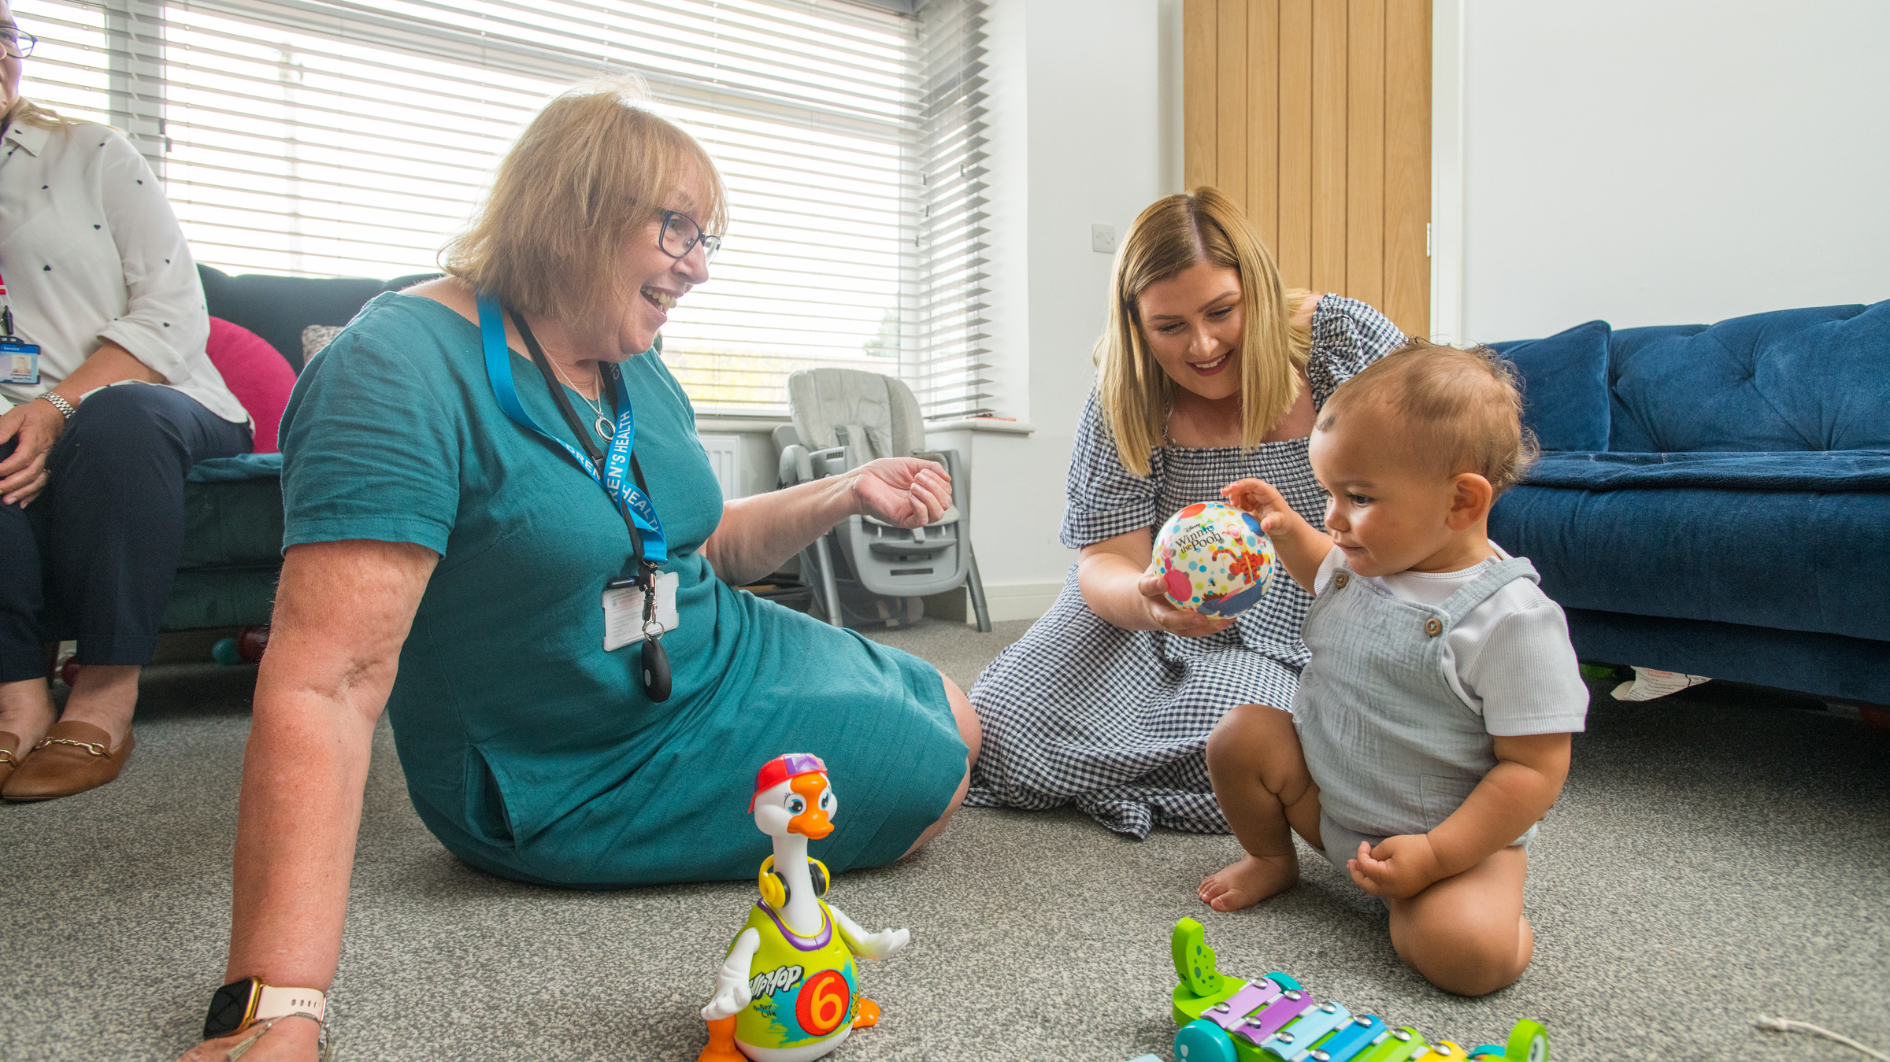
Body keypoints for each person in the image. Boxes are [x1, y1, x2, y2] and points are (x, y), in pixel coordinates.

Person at [178, 80, 979, 1061]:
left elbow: (696, 542)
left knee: (953, 702)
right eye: (677, 230)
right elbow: (328, 683)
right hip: (569, 763)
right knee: (940, 769)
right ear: (573, 205)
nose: (697, 269)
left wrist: (846, 490)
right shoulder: (396, 367)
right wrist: (275, 1000)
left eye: (707, 241)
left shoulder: (627, 355)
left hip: (709, 649)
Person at [966, 187, 1405, 837]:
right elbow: (1108, 559)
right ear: (1136, 326)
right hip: (1151, 613)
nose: (1201, 346)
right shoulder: (1128, 388)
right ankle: (1219, 779)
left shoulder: (1341, 344)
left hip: (1306, 624)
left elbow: (1429, 469)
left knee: (1269, 730)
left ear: (1254, 289)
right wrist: (1147, 602)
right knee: (998, 725)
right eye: (1169, 327)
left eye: (1221, 312)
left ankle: (1203, 770)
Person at [1202, 340, 1588, 996]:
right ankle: (1272, 859)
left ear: (1461, 504)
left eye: (1356, 497)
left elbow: (1534, 771)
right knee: (1240, 735)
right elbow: (1322, 568)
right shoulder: (1365, 563)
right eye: (1327, 492)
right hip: (1327, 805)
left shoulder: (1510, 620)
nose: (1333, 518)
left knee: (1466, 957)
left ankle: (1486, 909)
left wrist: (1438, 856)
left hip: (1446, 843)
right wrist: (1283, 527)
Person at [0, 1, 253, 802]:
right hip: (18, 411)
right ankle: (15, 693)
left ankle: (106, 693)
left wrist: (56, 408)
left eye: (5, 35)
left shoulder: (91, 152)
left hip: (155, 395)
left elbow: (174, 312)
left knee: (111, 418)